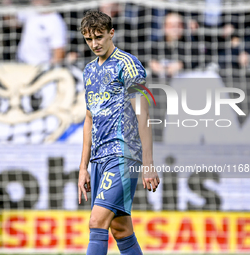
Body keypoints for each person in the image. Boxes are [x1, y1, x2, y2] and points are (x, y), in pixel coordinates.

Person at [78, 10, 160, 255]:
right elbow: (89, 118)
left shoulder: (128, 64)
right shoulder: (88, 71)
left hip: (123, 154)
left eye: (99, 37)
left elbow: (142, 115)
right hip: (100, 158)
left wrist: (148, 163)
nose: (95, 44)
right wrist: (83, 167)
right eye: (89, 39)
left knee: (96, 222)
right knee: (121, 230)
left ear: (111, 33)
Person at [149, 12, 200, 79]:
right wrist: (151, 63)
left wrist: (182, 65)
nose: (175, 29)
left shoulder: (190, 45)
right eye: (171, 26)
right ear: (164, 27)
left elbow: (198, 59)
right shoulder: (155, 45)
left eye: (178, 25)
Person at [16, 0, 67, 65]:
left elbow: (59, 53)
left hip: (40, 67)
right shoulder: (30, 12)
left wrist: (48, 70)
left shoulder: (55, 21)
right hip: (20, 63)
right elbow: (11, 21)